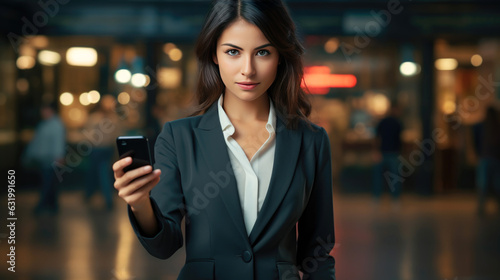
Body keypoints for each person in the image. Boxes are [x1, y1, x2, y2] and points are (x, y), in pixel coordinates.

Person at [113, 1, 335, 279]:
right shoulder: (179, 137)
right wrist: (140, 203)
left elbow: (317, 254)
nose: (248, 70)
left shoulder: (310, 141)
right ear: (215, 54)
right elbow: (164, 245)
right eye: (233, 52)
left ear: (280, 55)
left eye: (263, 52)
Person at [22, 102, 66, 214]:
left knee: (47, 182)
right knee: (48, 182)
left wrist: (59, 156)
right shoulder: (44, 124)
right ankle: (52, 204)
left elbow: (58, 142)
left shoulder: (56, 124)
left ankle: (43, 204)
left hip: (51, 159)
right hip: (44, 158)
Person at [372, 102, 403, 202]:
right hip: (390, 153)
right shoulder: (396, 123)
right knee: (393, 176)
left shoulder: (387, 122)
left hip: (388, 152)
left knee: (381, 177)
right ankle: (394, 197)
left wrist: (376, 151)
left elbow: (377, 138)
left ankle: (379, 197)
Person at [473, 106, 500, 215]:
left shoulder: (481, 126)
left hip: (486, 157)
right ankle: (483, 206)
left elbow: (477, 142)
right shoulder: (495, 126)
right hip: (494, 158)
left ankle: (481, 206)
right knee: (495, 183)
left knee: (484, 183)